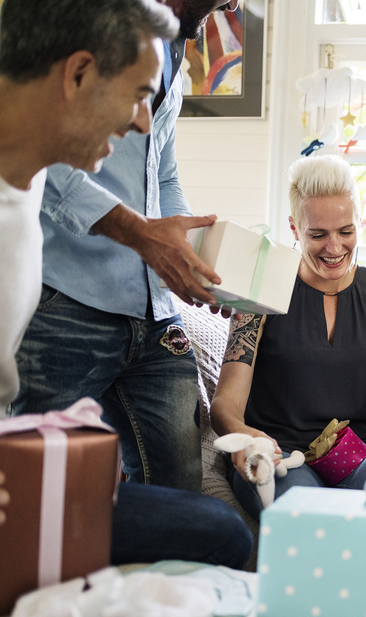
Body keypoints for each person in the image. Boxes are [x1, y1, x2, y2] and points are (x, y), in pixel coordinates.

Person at [0, 0, 250, 568]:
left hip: (154, 314)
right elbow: (53, 156)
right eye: (136, 96)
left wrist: (188, 254)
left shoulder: (170, 50)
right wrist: (141, 236)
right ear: (80, 73)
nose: (142, 118)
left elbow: (161, 174)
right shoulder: (82, 45)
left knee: (196, 516)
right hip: (73, 298)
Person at [210, 154, 366, 520]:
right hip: (279, 455)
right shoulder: (261, 289)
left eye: (346, 231)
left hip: (363, 452)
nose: (334, 247)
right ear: (294, 228)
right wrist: (244, 436)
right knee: (306, 512)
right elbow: (225, 404)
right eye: (318, 234)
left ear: (359, 222)